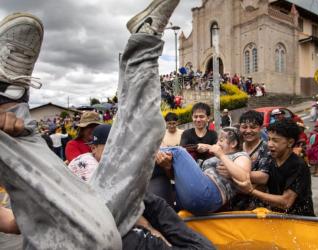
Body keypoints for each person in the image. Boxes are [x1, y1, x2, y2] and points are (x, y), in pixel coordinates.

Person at [0, 13, 121, 249]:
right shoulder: (76, 148)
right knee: (99, 237)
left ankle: (9, 105)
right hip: (79, 191)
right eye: (89, 128)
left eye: (94, 128)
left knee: (93, 237)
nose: (91, 133)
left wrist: (15, 219)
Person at [69, 124, 214, 249]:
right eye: (114, 146)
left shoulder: (112, 164)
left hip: (135, 218)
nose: (120, 150)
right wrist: (153, 232)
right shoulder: (89, 164)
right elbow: (124, 205)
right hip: (125, 230)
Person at [161, 127, 251, 215]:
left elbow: (244, 179)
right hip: (195, 196)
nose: (217, 143)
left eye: (221, 140)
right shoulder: (216, 157)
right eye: (218, 140)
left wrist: (221, 155)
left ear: (233, 143)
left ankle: (150, 150)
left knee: (178, 152)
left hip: (209, 195)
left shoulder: (240, 155)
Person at [234, 119, 315, 216]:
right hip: (277, 217)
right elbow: (263, 186)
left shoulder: (298, 165)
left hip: (301, 220)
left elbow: (286, 202)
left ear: (290, 142)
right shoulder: (271, 160)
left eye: (275, 140)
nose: (269, 144)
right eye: (269, 139)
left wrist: (251, 190)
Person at [225, 110, 273, 210]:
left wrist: (231, 172)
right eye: (244, 127)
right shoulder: (236, 146)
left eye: (253, 127)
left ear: (261, 128)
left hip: (256, 206)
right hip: (233, 204)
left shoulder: (267, 148)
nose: (248, 131)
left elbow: (264, 177)